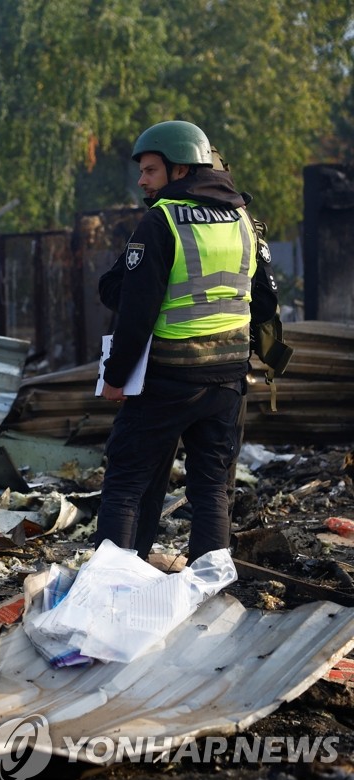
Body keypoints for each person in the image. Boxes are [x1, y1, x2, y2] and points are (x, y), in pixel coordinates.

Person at [95, 120, 265, 562]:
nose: (142, 181)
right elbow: (262, 297)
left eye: (151, 171)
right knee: (211, 488)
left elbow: (136, 314)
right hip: (228, 378)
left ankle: (108, 589)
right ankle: (210, 589)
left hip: (170, 378)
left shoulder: (163, 221)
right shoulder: (243, 218)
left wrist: (115, 378)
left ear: (181, 170)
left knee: (126, 482)